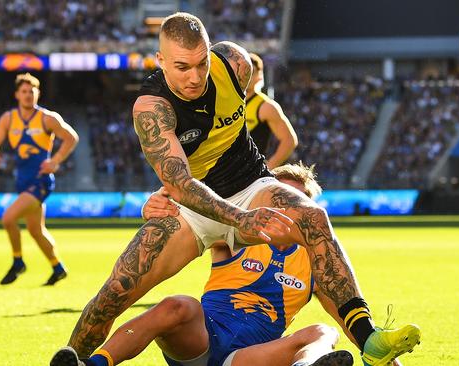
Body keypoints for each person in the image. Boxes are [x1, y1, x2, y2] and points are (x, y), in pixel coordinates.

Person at [57, 13, 420, 366]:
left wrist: (242, 208)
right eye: (183, 67)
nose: (196, 76)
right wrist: (233, 215)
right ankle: (72, 359)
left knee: (313, 216)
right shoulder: (152, 109)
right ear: (160, 61)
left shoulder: (235, 65)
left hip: (250, 184)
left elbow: (221, 132)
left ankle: (369, 339)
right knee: (116, 290)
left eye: (201, 63)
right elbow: (181, 182)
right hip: (193, 206)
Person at [51, 163, 354, 366]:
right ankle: (93, 364)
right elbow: (191, 204)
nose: (286, 207)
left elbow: (347, 314)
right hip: (201, 341)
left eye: (297, 201)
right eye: (281, 197)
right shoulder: (235, 232)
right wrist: (156, 202)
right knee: (178, 305)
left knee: (323, 331)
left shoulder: (316, 263)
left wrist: (383, 355)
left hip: (249, 358)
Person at [0, 73, 79, 286]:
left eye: (32, 91)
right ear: (17, 94)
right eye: (24, 91)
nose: (28, 95)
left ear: (38, 93)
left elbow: (71, 137)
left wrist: (55, 160)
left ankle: (18, 261)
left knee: (8, 218)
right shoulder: (8, 118)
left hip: (41, 181)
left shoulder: (48, 118)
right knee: (36, 230)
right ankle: (57, 267)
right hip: (23, 181)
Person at [245, 53, 298, 169]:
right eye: (244, 71)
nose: (246, 76)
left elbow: (289, 140)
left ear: (259, 75)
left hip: (251, 176)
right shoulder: (228, 101)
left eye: (251, 72)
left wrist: (268, 168)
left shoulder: (266, 106)